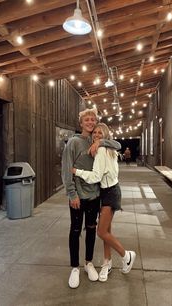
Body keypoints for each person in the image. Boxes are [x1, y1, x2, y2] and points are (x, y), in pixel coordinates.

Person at [61, 108, 121, 289]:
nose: (90, 122)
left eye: (92, 119)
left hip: (95, 195)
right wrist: (72, 194)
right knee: (75, 229)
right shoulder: (73, 142)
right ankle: (74, 267)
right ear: (81, 123)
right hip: (79, 196)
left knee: (91, 229)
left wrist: (101, 141)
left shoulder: (98, 141)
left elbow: (117, 145)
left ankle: (88, 263)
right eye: (86, 119)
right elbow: (66, 170)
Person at [73, 123, 136, 283]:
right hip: (107, 191)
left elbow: (95, 177)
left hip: (110, 193)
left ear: (106, 134)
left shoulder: (102, 150)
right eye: (95, 132)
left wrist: (76, 172)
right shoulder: (109, 149)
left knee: (101, 232)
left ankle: (126, 255)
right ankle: (107, 262)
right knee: (107, 229)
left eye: (100, 133)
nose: (97, 134)